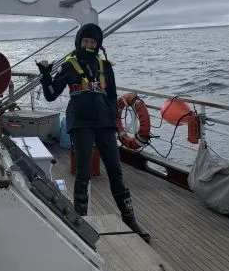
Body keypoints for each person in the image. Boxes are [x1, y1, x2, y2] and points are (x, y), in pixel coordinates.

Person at [36, 23, 150, 243]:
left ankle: (129, 219)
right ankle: (81, 222)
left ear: (98, 44)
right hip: (80, 122)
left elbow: (112, 95)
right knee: (83, 171)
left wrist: (113, 123)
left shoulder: (105, 65)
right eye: (85, 41)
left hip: (103, 123)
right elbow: (51, 95)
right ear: (79, 42)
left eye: (93, 42)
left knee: (115, 170)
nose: (89, 45)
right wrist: (45, 76)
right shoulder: (69, 66)